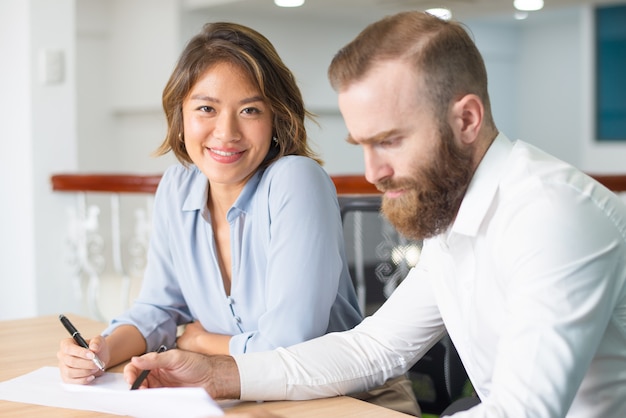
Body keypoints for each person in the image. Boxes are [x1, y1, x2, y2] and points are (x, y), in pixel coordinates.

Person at [122, 11, 626, 418]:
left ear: (466, 120)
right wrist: (219, 375)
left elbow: (525, 410)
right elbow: (374, 349)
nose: (372, 173)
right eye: (362, 145)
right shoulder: (457, 213)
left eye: (389, 141)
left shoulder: (550, 214)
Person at [57, 21, 362, 386]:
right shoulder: (176, 187)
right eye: (206, 108)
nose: (227, 132)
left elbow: (289, 348)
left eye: (250, 111)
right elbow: (158, 309)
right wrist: (103, 350)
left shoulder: (297, 180)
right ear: (180, 117)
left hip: (338, 398)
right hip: (235, 395)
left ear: (276, 120)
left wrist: (201, 342)